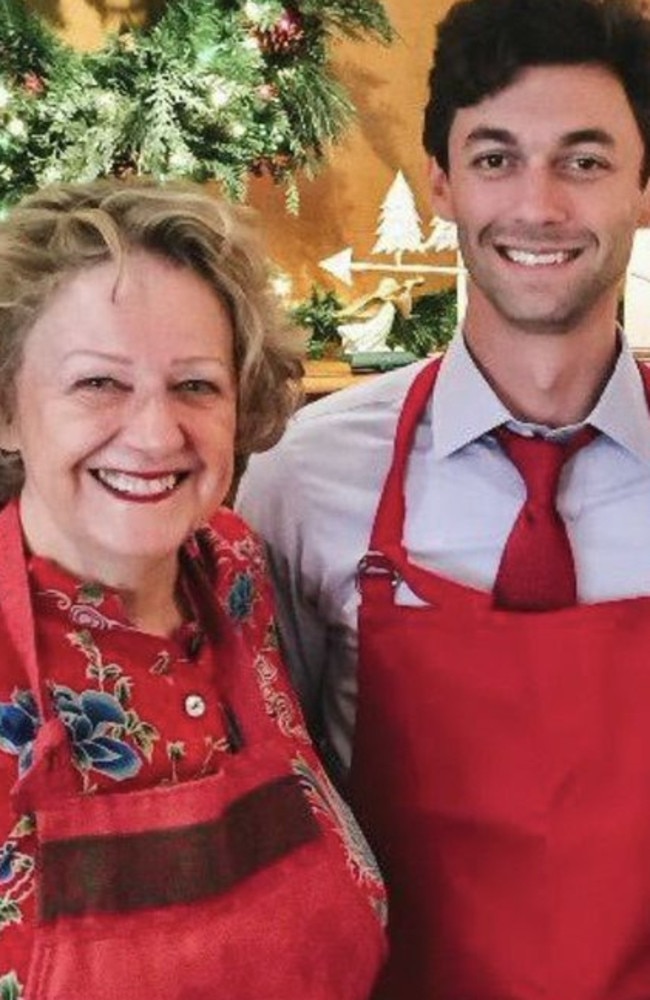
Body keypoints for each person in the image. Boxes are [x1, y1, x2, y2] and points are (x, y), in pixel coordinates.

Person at [236, 0, 650, 996]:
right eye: (495, 158)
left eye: (584, 161)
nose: (538, 206)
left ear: (644, 186)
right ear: (439, 184)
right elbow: (270, 801)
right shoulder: (299, 478)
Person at [0, 178, 387, 1000]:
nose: (154, 433)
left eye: (196, 385)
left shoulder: (235, 571)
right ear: (8, 406)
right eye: (99, 383)